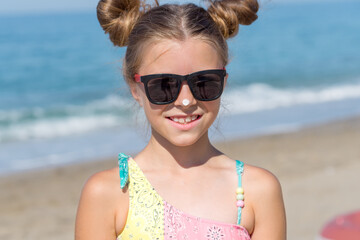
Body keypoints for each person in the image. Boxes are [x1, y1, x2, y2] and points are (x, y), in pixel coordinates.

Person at [75, 0, 286, 239]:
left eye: (204, 82)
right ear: (135, 88)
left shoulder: (256, 190)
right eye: (164, 85)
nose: (185, 101)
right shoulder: (107, 193)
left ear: (223, 82)